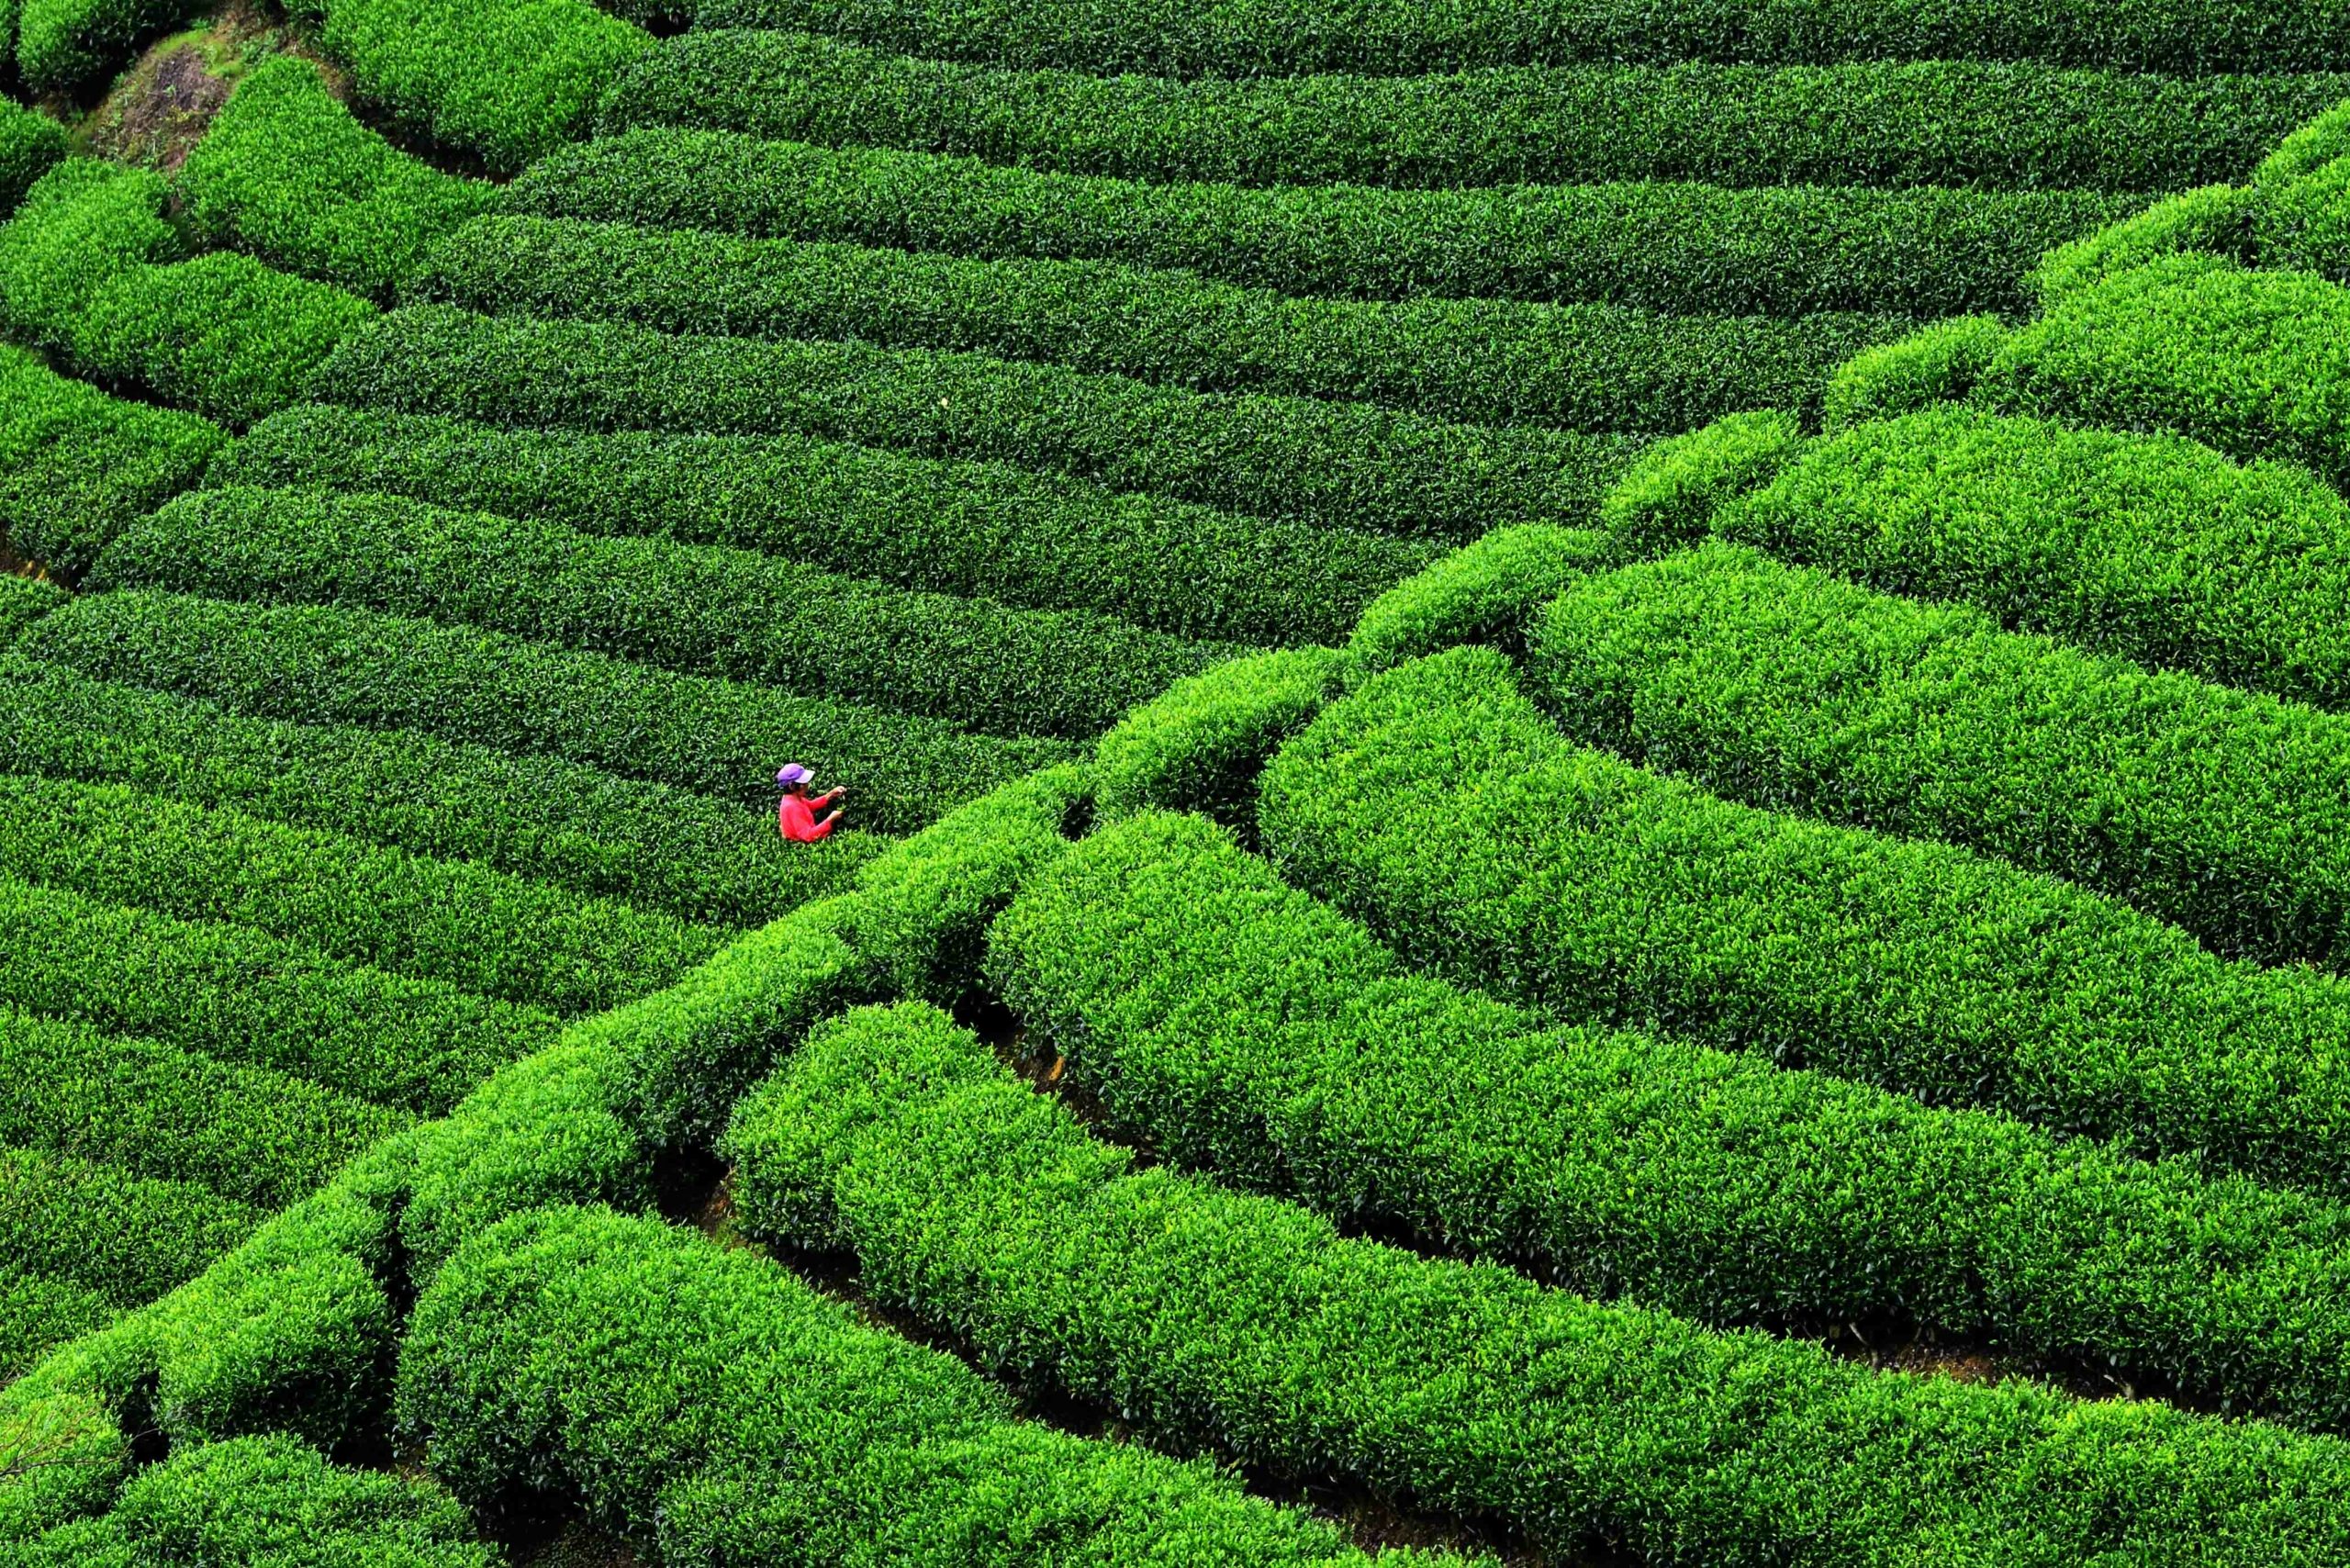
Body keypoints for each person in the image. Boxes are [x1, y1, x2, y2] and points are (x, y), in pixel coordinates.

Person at [775, 764, 845, 843]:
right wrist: (830, 820)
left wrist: (830, 795)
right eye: (804, 783)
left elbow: (810, 806)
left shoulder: (794, 798)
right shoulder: (792, 807)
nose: (807, 785)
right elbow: (808, 836)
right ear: (792, 786)